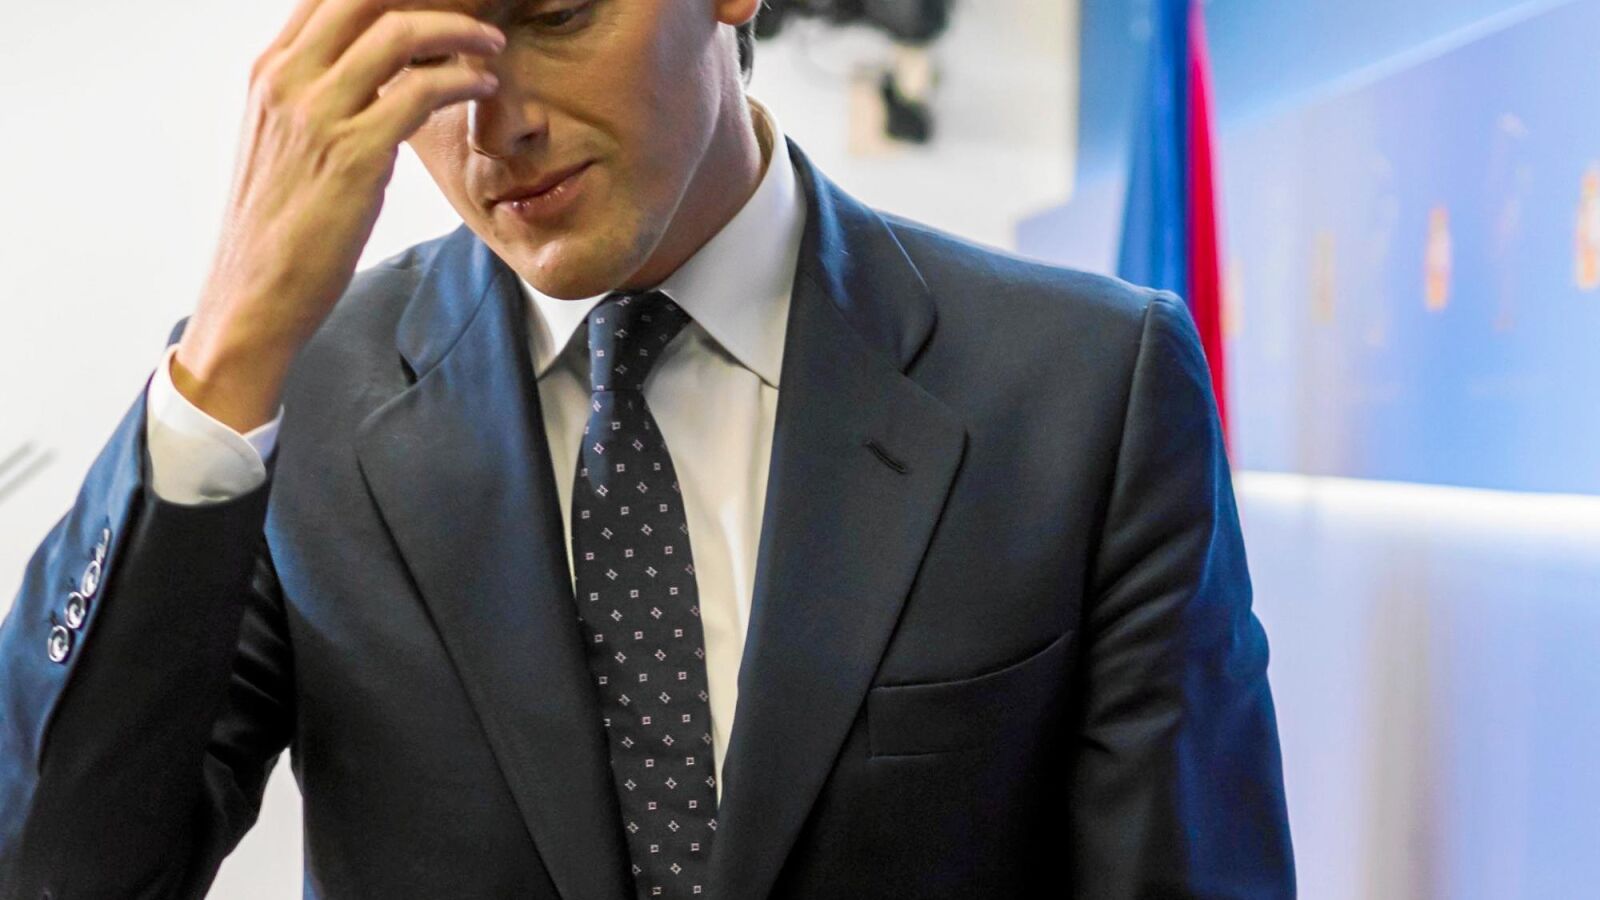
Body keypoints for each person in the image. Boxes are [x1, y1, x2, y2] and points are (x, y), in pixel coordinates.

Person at [0, 1, 1294, 897]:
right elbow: (56, 871)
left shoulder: (1082, 388)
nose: (492, 128)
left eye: (555, 17)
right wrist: (227, 352)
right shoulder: (297, 404)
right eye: (427, 61)